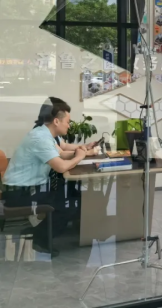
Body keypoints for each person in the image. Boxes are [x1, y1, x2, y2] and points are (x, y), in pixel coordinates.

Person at [2, 97, 94, 255]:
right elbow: (60, 166)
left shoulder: (44, 134)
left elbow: (61, 154)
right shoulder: (40, 138)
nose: (69, 125)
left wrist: (83, 152)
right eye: (68, 121)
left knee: (72, 192)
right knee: (70, 203)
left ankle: (37, 232)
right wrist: (79, 156)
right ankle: (39, 240)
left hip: (28, 188)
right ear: (57, 121)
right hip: (19, 193)